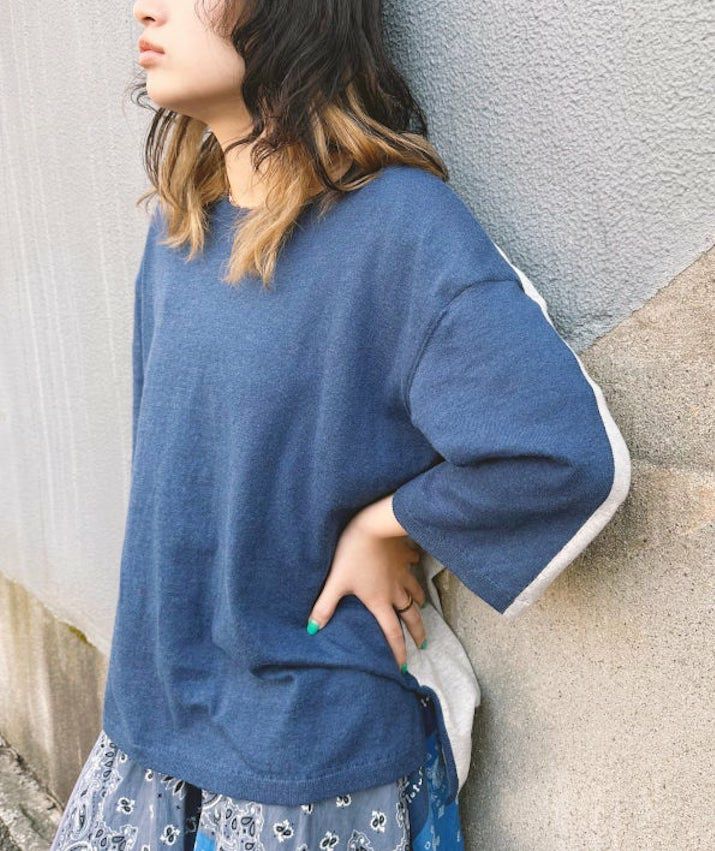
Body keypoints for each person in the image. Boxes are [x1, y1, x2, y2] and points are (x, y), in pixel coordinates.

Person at [50, 1, 632, 849]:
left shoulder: (400, 226)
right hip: (150, 730)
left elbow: (560, 457)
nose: (147, 5)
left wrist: (389, 523)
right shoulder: (181, 228)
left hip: (306, 765)